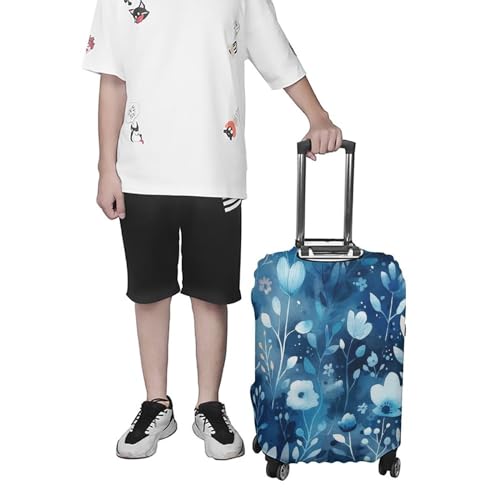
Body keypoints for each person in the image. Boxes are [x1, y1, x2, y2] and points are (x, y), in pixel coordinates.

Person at [83, 0, 343, 461]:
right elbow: (113, 78)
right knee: (149, 292)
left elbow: (277, 53)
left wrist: (317, 116)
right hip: (142, 171)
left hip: (214, 171)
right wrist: (107, 168)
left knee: (211, 293)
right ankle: (156, 403)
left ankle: (209, 405)